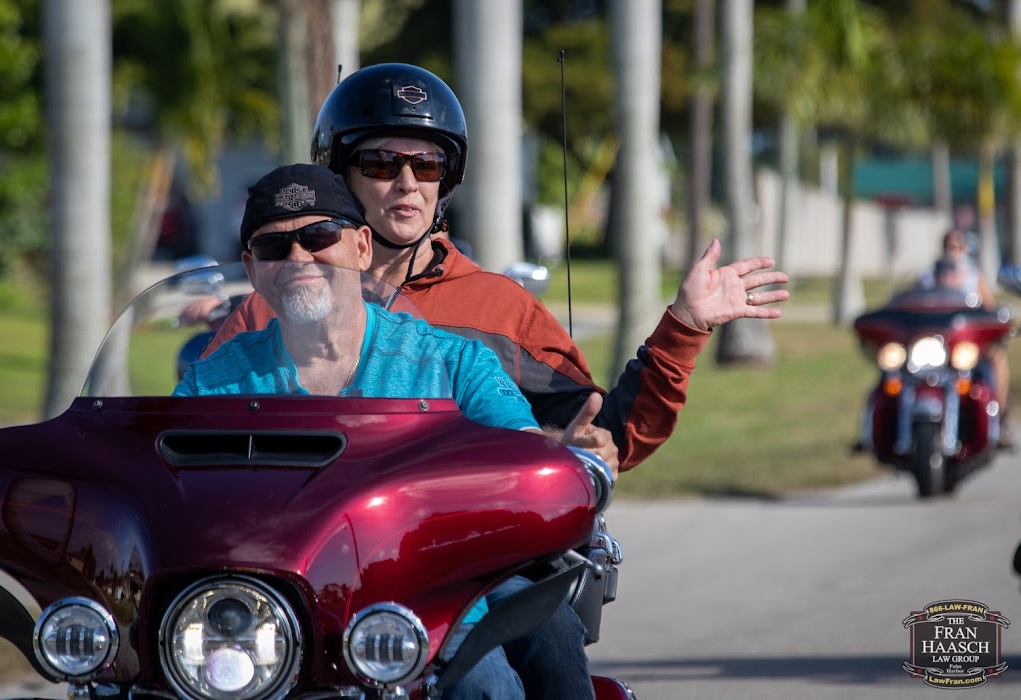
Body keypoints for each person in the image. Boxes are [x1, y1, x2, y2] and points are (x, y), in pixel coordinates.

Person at [184, 63, 789, 700]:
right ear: (340, 174)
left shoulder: (497, 311)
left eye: (428, 165)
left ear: (448, 180)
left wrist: (682, 330)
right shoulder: (271, 308)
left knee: (538, 641)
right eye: (382, 163)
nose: (407, 183)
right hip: (299, 572)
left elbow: (598, 436)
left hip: (461, 559)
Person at [177, 163, 615, 699]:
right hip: (271, 615)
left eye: (319, 237)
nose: (298, 258)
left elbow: (518, 450)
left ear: (362, 247)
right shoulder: (211, 384)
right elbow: (168, 486)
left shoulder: (454, 361)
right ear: (252, 269)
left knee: (484, 686)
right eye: (273, 247)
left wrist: (558, 456)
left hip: (429, 600)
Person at [924, 228, 1012, 446]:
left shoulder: (974, 277)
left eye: (958, 246)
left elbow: (990, 311)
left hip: (969, 345)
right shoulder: (930, 277)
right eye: (950, 246)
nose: (954, 251)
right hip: (938, 345)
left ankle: (999, 419)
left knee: (997, 359)